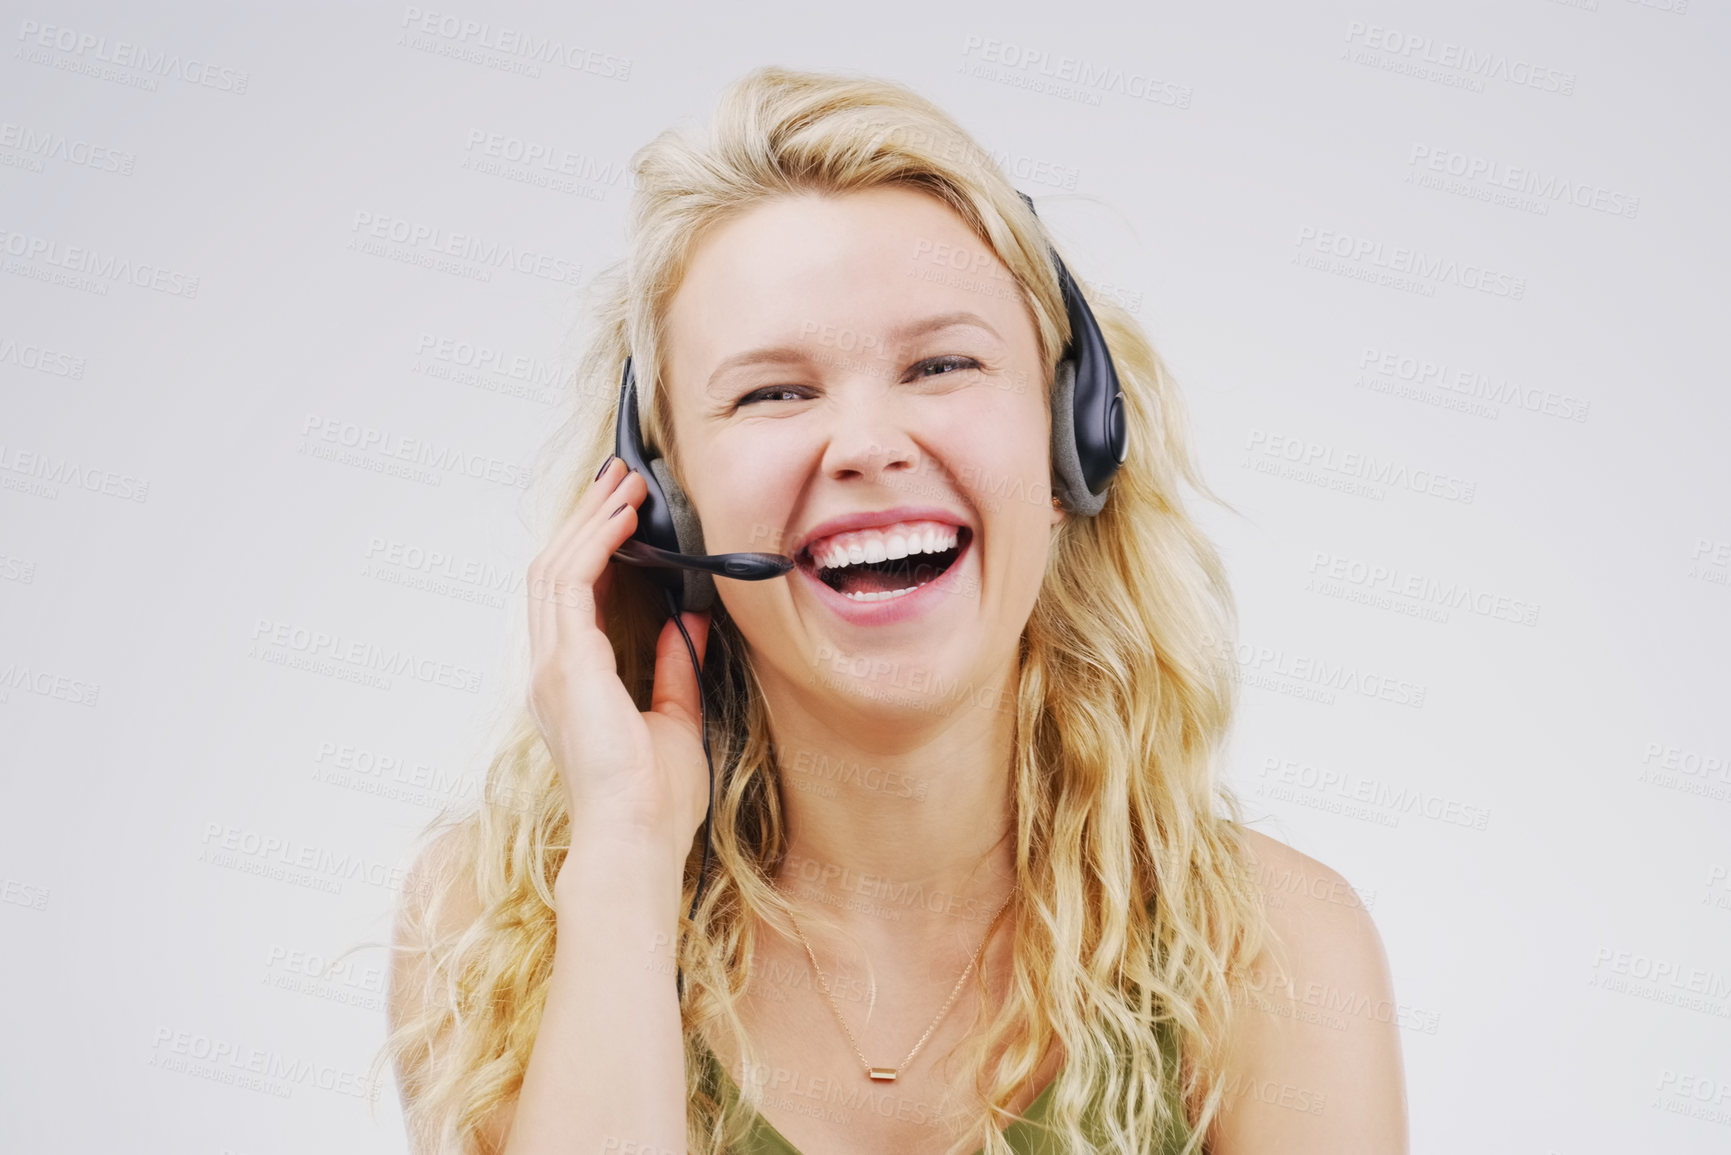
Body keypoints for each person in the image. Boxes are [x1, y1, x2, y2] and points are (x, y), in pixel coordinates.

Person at [383, 66, 1408, 1155]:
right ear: (669, 499)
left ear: (1072, 446)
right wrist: (628, 860)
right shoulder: (494, 931)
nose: (869, 443)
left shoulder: (1277, 952)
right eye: (774, 391)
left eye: (942, 364)